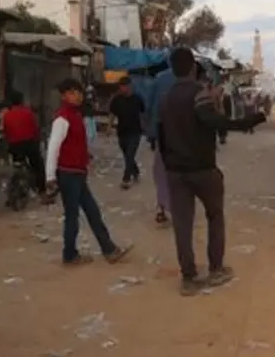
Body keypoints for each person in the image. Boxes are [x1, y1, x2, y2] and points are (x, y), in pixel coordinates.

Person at [158, 48, 266, 296]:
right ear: (193, 68)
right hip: (203, 170)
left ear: (173, 70)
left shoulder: (165, 99)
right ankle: (215, 269)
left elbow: (160, 137)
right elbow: (215, 122)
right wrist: (248, 122)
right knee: (214, 217)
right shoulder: (200, 95)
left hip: (176, 172)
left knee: (182, 226)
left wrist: (169, 166)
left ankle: (188, 278)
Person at [45, 78, 134, 266]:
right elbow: (53, 147)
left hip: (77, 172)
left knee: (92, 211)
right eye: (72, 92)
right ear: (64, 95)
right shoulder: (63, 118)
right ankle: (70, 255)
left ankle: (108, 249)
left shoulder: (76, 115)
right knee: (73, 216)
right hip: (68, 174)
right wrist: (50, 176)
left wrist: (85, 156)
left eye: (79, 92)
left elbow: (75, 142)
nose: (77, 96)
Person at [146, 66, 177, 226]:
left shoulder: (158, 80)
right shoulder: (188, 81)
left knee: (160, 170)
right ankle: (177, 208)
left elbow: (150, 107)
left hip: (161, 133)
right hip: (184, 135)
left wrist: (150, 133)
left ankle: (161, 207)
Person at [1, 91, 44, 195]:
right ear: (21, 101)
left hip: (14, 146)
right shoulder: (28, 113)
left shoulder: (6, 115)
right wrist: (38, 140)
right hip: (29, 144)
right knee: (38, 165)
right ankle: (42, 191)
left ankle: (15, 191)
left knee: (17, 166)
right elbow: (35, 129)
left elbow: (6, 132)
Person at [109, 77, 146, 189]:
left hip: (135, 132)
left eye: (125, 86)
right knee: (127, 156)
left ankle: (126, 179)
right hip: (122, 132)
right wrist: (109, 126)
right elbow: (112, 114)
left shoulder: (138, 99)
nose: (123, 88)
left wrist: (146, 127)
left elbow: (143, 114)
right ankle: (135, 171)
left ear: (130, 86)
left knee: (130, 155)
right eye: (121, 86)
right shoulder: (116, 99)